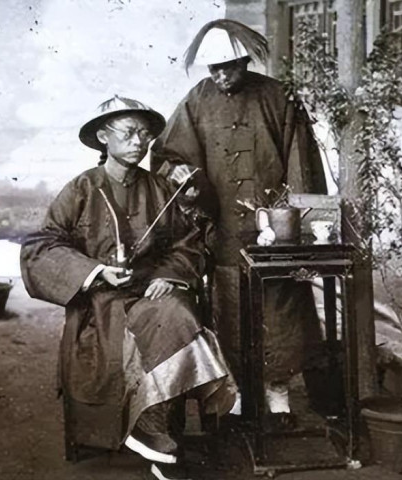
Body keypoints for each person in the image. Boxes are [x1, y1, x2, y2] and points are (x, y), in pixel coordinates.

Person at [20, 96, 236, 480]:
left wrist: (167, 276)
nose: (139, 142)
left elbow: (187, 244)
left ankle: (155, 430)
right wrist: (94, 271)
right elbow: (41, 247)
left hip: (150, 290)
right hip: (101, 303)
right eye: (129, 133)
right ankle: (150, 434)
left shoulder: (159, 188)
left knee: (177, 315)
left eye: (145, 134)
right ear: (104, 137)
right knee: (139, 332)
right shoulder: (82, 189)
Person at [151, 20, 328, 422]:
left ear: (245, 61)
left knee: (281, 308)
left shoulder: (277, 97)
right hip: (225, 226)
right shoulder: (198, 100)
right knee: (230, 310)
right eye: (213, 69)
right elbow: (168, 154)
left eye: (228, 67)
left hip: (277, 227)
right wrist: (180, 172)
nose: (220, 76)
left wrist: (298, 220)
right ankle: (238, 397)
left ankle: (278, 394)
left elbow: (300, 160)